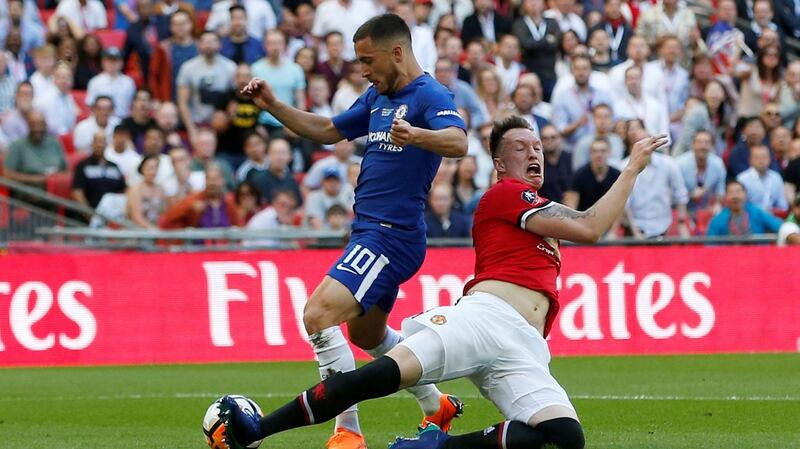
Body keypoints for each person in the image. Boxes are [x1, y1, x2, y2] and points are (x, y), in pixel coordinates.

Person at [219, 116, 671, 449]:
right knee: (381, 376)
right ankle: (259, 429)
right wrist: (631, 168)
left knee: (563, 438)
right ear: (498, 163)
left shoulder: (537, 210)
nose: (533, 153)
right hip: (483, 320)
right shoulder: (507, 194)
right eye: (520, 147)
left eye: (537, 145)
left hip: (524, 346)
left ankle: (431, 446)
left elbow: (584, 227)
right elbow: (592, 227)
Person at [238, 13, 468, 449]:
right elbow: (327, 130)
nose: (363, 70)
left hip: (389, 235)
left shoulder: (430, 95)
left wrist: (416, 135)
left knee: (317, 314)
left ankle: (348, 431)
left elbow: (458, 142)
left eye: (367, 60)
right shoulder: (377, 97)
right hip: (371, 233)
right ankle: (436, 405)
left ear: (396, 52)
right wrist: (272, 105)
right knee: (367, 336)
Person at [159, 162, 242, 229]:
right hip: (198, 246)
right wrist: (190, 207)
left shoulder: (229, 201)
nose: (212, 182)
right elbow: (169, 218)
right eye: (208, 178)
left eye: (216, 179)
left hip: (224, 247)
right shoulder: (194, 199)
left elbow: (239, 225)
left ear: (223, 181)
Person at [3, 110, 67, 189]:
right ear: (28, 125)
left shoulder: (54, 143)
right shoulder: (17, 146)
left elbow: (65, 170)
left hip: (55, 188)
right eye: (33, 124)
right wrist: (37, 179)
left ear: (45, 125)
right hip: (30, 191)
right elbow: (7, 175)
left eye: (40, 124)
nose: (37, 128)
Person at [675, 130, 726, 225]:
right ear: (692, 145)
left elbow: (720, 190)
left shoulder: (718, 164)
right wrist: (690, 195)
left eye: (706, 143)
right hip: (683, 210)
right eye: (699, 142)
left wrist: (717, 204)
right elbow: (672, 194)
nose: (702, 146)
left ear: (711, 146)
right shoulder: (679, 164)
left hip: (707, 210)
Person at [149, 10, 198, 103]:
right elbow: (154, 76)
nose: (180, 27)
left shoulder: (199, 47)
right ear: (171, 27)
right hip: (170, 99)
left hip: (195, 100)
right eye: (176, 24)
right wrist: (156, 99)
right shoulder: (163, 48)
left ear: (190, 24)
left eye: (183, 23)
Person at [564, 136, 621, 215]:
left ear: (609, 153)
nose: (599, 155)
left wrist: (613, 228)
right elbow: (571, 206)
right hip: (584, 220)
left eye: (603, 151)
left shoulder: (617, 175)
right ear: (590, 154)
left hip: (608, 220)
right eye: (595, 151)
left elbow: (621, 206)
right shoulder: (579, 175)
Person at [71, 131, 127, 209]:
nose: (99, 145)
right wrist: (90, 215)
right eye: (96, 141)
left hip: (113, 212)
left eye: (102, 142)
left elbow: (124, 190)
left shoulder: (114, 167)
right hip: (92, 212)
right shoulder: (83, 165)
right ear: (92, 144)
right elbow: (77, 193)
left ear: (106, 145)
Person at [706, 180, 782, 236]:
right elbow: (710, 246)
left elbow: (779, 226)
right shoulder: (717, 220)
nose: (735, 196)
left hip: (757, 254)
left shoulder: (757, 213)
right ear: (726, 197)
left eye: (738, 192)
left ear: (745, 194)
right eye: (731, 193)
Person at [246, 137, 302, 204]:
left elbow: (298, 205)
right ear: (268, 155)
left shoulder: (292, 180)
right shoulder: (258, 180)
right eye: (275, 152)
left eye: (283, 152)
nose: (279, 157)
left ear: (290, 156)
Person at [85, 47, 137, 119]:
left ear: (121, 62)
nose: (112, 64)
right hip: (102, 121)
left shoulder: (129, 82)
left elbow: (133, 106)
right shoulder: (95, 82)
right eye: (109, 60)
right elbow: (91, 106)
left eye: (115, 60)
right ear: (103, 62)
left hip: (123, 120)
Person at [736, 144, 789, 213]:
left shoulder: (776, 177)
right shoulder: (742, 179)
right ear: (750, 160)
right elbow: (740, 206)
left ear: (770, 159)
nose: (761, 161)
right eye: (757, 158)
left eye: (764, 157)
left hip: (772, 217)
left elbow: (782, 205)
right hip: (751, 217)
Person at [126, 154, 166, 228]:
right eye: (150, 168)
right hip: (138, 231)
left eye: (156, 168)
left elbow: (163, 213)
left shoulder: (161, 189)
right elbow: (136, 217)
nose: (153, 172)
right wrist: (153, 229)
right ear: (143, 169)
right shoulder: (135, 190)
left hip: (157, 230)